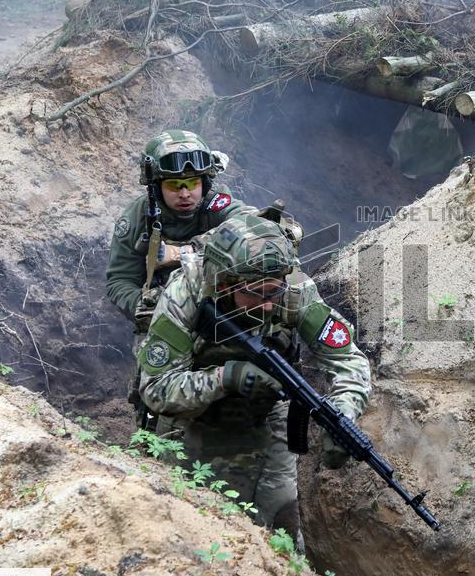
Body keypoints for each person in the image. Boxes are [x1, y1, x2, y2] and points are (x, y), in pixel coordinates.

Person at [135, 214, 371, 542]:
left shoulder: (294, 290)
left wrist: (344, 410)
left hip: (267, 414)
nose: (266, 305)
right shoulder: (185, 295)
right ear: (224, 282)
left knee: (282, 526)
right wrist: (226, 377)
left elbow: (348, 361)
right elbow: (156, 388)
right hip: (193, 420)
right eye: (256, 294)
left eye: (274, 292)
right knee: (195, 529)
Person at [105, 129, 256, 331]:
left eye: (193, 183)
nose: (185, 194)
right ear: (157, 187)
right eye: (174, 185)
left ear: (205, 182)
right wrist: (149, 311)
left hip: (227, 302)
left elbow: (254, 226)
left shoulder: (215, 203)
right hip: (169, 312)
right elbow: (120, 281)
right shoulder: (136, 219)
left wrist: (182, 253)